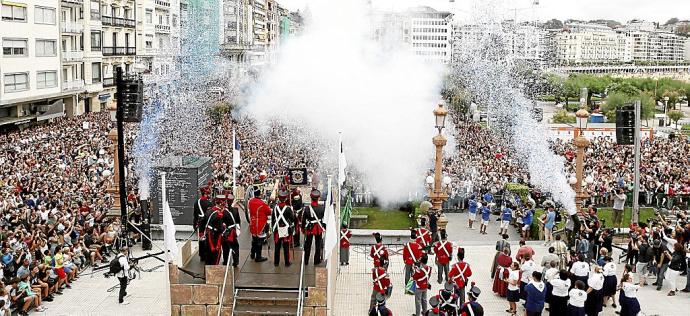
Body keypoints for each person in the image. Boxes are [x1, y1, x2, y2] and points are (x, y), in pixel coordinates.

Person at [271, 188, 296, 267]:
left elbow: (273, 219)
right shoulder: (288, 208)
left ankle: (276, 262)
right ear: (285, 198)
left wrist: (273, 228)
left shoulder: (275, 207)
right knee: (286, 247)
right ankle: (287, 262)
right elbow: (292, 219)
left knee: (277, 247)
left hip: (277, 229)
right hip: (285, 229)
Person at [204, 196, 231, 265]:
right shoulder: (219, 214)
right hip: (215, 237)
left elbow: (203, 223)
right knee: (216, 256)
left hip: (208, 236)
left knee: (208, 256)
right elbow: (220, 228)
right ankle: (213, 273)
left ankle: (207, 273)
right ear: (221, 203)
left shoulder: (208, 211)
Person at [303, 189, 325, 265]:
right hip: (318, 227)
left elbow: (303, 219)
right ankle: (316, 261)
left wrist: (303, 228)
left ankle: (306, 260)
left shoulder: (307, 208)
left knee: (308, 244)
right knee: (318, 245)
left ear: (311, 197)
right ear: (318, 198)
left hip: (309, 227)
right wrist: (324, 227)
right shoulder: (322, 208)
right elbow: (323, 219)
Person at [248, 187, 270, 262]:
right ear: (259, 194)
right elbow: (269, 212)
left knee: (254, 239)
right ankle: (258, 257)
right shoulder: (262, 203)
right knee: (259, 241)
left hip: (253, 223)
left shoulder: (250, 201)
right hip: (260, 224)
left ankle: (252, 253)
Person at [193, 186, 212, 262]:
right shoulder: (209, 203)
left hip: (200, 223)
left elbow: (195, 215)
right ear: (206, 193)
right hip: (207, 223)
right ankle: (207, 254)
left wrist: (194, 224)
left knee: (201, 239)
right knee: (207, 239)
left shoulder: (196, 202)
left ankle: (201, 255)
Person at [222, 195, 242, 267]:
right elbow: (238, 221)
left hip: (225, 231)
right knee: (235, 246)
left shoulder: (223, 211)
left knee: (225, 247)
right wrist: (237, 231)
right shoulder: (236, 210)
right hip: (233, 231)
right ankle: (236, 261)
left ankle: (225, 261)